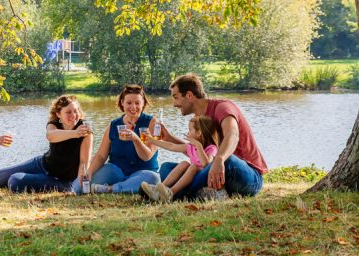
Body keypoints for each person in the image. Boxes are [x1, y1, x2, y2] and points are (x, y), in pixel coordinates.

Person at [151, 73, 268, 201]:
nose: (174, 104)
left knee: (225, 160)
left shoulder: (222, 108)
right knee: (166, 167)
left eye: (176, 97)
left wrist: (219, 159)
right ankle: (193, 192)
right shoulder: (198, 120)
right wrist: (168, 137)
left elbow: (233, 135)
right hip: (215, 171)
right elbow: (195, 152)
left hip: (247, 176)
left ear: (189, 95)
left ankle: (175, 194)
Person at [0, 95, 93, 193]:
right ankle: (35, 178)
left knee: (14, 181)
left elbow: (84, 163)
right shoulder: (54, 124)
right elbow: (51, 136)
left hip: (60, 179)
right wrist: (75, 133)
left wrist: (79, 186)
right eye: (68, 112)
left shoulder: (85, 130)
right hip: (42, 164)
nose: (73, 115)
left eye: (76, 111)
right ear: (58, 114)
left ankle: (65, 187)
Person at [86, 84, 161, 193]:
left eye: (137, 103)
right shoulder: (113, 125)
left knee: (153, 179)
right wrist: (89, 171)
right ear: (122, 102)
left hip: (143, 173)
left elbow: (147, 156)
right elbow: (101, 156)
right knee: (87, 181)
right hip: (116, 172)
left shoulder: (153, 123)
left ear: (143, 103)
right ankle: (72, 190)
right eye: (129, 103)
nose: (133, 107)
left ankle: (110, 188)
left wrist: (136, 139)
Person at [140, 115, 219, 202]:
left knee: (193, 166)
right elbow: (172, 146)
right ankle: (159, 189)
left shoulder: (211, 148)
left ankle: (171, 193)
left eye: (190, 130)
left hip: (203, 179)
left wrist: (198, 145)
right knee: (184, 163)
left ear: (199, 133)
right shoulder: (190, 146)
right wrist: (152, 140)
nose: (188, 132)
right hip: (191, 178)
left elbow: (206, 165)